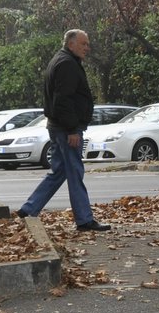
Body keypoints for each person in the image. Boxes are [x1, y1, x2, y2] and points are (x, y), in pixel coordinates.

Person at [16, 30, 111, 232]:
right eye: (83, 44)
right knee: (75, 173)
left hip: (58, 127)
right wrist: (72, 130)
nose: (87, 48)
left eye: (87, 44)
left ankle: (28, 209)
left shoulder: (61, 60)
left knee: (58, 172)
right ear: (71, 44)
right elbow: (63, 100)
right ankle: (84, 220)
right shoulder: (67, 64)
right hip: (66, 129)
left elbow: (61, 99)